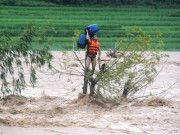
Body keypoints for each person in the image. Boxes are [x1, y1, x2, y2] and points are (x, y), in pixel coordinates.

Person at [83, 29, 101, 94]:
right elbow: (87, 38)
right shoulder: (90, 41)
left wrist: (99, 56)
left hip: (94, 56)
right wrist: (87, 32)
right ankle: (87, 75)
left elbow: (99, 50)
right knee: (87, 67)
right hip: (89, 56)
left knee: (93, 68)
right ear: (93, 37)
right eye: (95, 36)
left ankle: (90, 76)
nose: (96, 37)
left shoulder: (97, 43)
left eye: (96, 36)